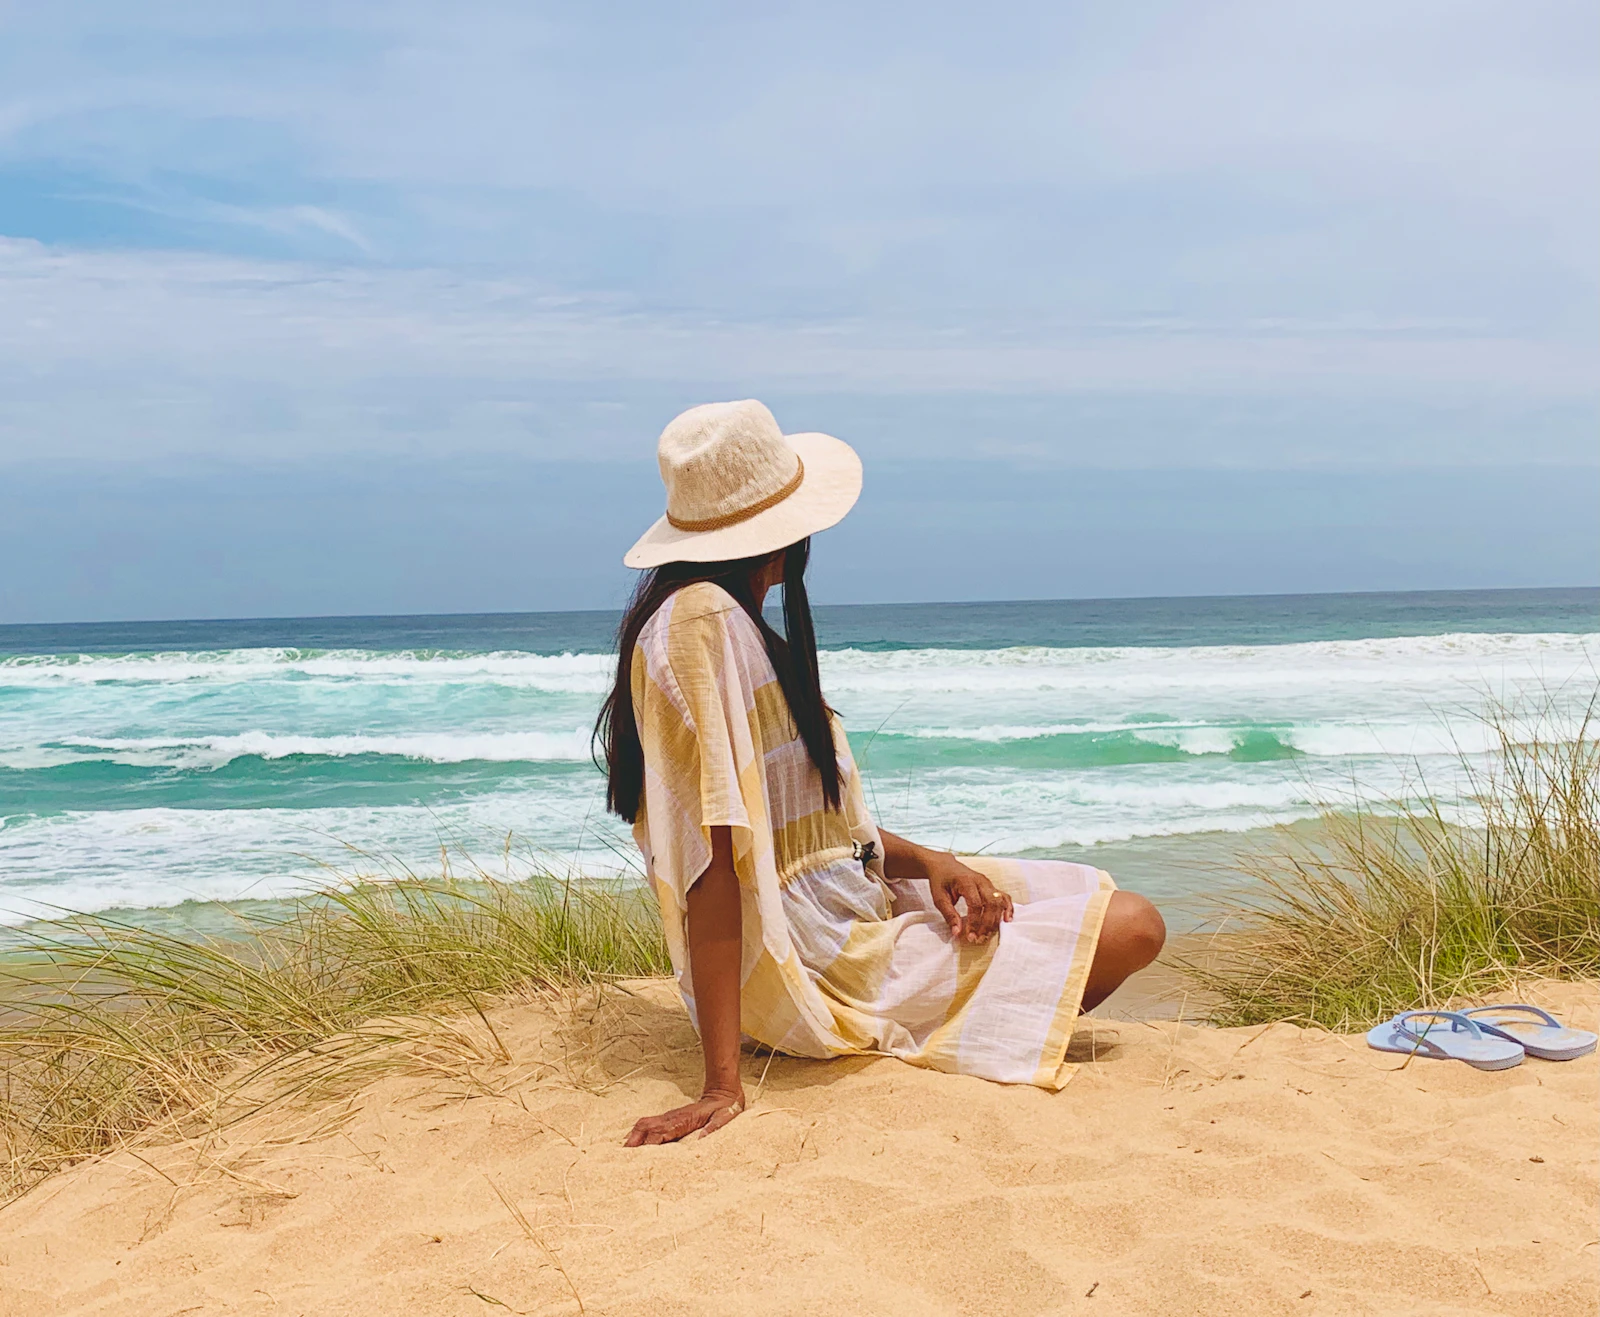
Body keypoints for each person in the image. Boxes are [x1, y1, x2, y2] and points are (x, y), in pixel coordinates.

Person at [595, 401, 1167, 1147]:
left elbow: (809, 830)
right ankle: (948, 1018)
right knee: (1131, 925)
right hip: (808, 960)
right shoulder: (703, 621)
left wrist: (932, 861)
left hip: (848, 909)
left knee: (1090, 893)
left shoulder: (730, 619)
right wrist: (720, 1083)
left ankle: (968, 1007)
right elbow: (715, 858)